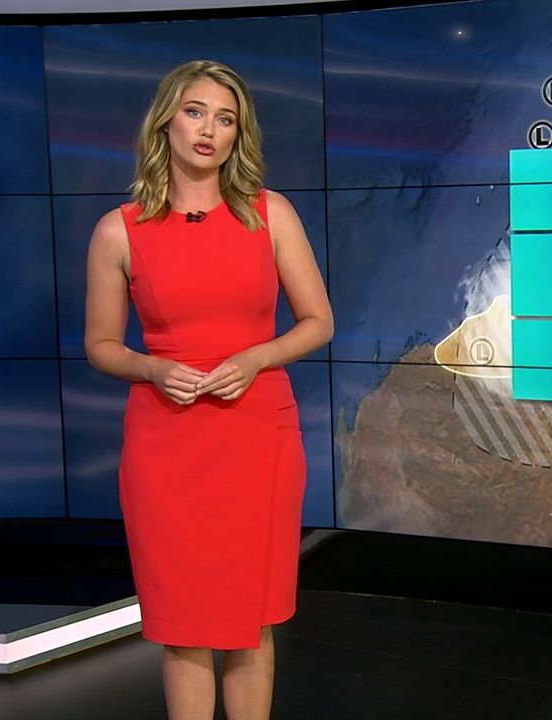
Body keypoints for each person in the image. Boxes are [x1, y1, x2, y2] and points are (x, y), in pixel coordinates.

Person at [84, 59, 333, 720]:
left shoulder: (270, 215)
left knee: (253, 620)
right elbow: (101, 344)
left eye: (226, 120)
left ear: (236, 136)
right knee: (183, 624)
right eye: (196, 112)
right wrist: (152, 368)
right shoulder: (118, 230)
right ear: (166, 121)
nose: (209, 130)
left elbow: (318, 321)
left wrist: (256, 358)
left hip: (258, 432)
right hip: (166, 440)